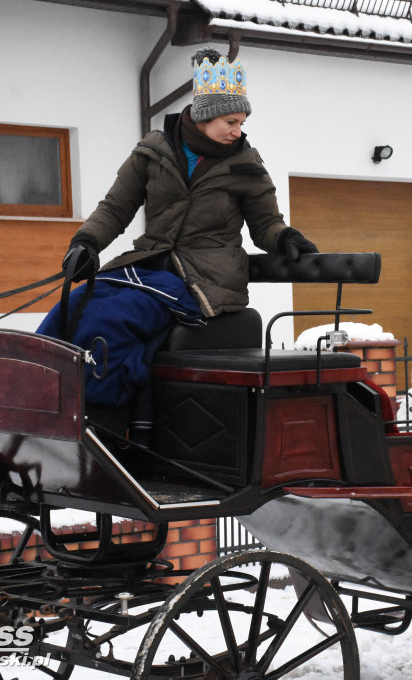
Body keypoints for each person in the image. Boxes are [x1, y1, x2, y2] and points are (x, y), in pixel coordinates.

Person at [40, 47, 317, 435]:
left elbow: (266, 222)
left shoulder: (246, 165)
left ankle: (102, 421)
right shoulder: (154, 152)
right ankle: (42, 402)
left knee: (116, 319)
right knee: (70, 307)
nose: (238, 130)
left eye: (241, 122)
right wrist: (86, 243)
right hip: (150, 265)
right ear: (203, 116)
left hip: (204, 278)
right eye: (230, 121)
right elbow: (116, 207)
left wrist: (286, 237)